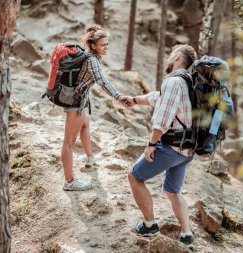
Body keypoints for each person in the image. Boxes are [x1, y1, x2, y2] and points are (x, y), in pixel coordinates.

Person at [126, 44, 198, 247]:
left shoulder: (174, 82)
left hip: (172, 147)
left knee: (135, 176)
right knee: (172, 190)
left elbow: (163, 119)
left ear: (176, 56)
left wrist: (151, 144)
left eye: (170, 54)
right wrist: (133, 100)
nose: (168, 58)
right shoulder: (189, 82)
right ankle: (186, 235)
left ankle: (149, 225)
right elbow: (156, 98)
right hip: (188, 150)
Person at [62, 24, 129, 191]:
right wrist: (118, 96)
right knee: (68, 142)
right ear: (93, 46)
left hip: (80, 100)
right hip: (75, 102)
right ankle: (69, 182)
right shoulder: (92, 60)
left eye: (107, 44)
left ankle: (90, 158)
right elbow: (102, 82)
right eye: (103, 44)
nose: (106, 47)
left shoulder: (92, 57)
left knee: (85, 125)